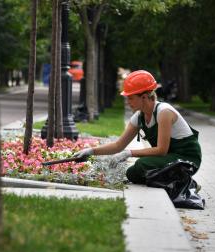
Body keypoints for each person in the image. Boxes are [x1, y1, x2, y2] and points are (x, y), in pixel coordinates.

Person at [74, 70, 202, 184]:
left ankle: (185, 182)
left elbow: (162, 150)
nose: (128, 102)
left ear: (144, 97)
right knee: (132, 174)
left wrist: (129, 153)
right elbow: (118, 145)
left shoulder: (164, 112)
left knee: (142, 165)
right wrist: (91, 151)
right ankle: (175, 181)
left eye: (130, 98)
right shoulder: (139, 116)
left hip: (187, 160)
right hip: (170, 158)